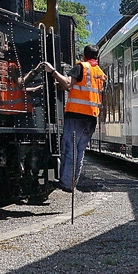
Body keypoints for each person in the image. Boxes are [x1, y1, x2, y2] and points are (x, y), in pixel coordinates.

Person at [38, 44, 106, 193]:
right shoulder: (100, 73)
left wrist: (53, 71)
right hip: (91, 118)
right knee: (80, 151)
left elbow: (69, 83)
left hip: (76, 115)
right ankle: (72, 182)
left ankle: (66, 183)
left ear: (84, 56)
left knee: (69, 148)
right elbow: (79, 88)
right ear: (97, 56)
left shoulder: (81, 67)